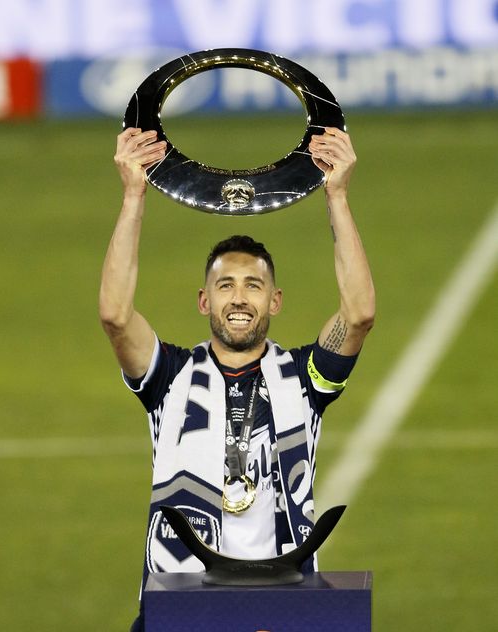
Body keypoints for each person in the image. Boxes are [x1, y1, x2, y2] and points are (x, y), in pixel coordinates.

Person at [99, 126, 375, 631]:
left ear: (275, 301)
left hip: (281, 607)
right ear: (205, 301)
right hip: (183, 607)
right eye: (225, 285)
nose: (240, 298)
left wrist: (336, 194)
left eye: (254, 285)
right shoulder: (169, 376)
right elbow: (116, 316)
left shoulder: (304, 379)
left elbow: (358, 315)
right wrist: (133, 194)